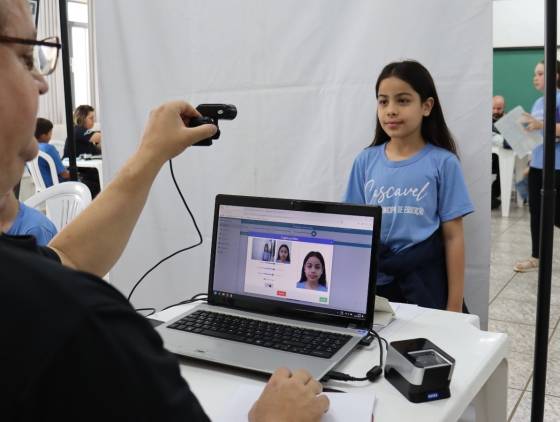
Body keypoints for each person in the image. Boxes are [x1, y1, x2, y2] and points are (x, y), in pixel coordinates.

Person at [0, 1, 328, 420]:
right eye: (27, 57)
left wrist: (150, 155)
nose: (43, 84)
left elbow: (68, 260)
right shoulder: (79, 326)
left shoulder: (36, 296)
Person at [344, 60, 474, 312]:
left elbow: (453, 236)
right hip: (376, 285)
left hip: (426, 285)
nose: (390, 110)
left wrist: (454, 306)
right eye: (383, 101)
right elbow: (353, 229)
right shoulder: (365, 161)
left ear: (426, 106)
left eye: (402, 100)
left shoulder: (443, 163)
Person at [513, 60, 560, 272]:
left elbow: (550, 129)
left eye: (540, 73)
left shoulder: (558, 99)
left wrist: (542, 124)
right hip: (539, 164)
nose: (535, 77)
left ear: (555, 75)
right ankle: (537, 257)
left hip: (557, 166)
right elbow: (537, 136)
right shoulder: (538, 103)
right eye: (535, 74)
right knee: (537, 212)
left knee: (556, 214)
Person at [63, 105, 102, 197]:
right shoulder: (79, 130)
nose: (93, 121)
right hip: (81, 173)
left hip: (84, 169)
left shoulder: (82, 132)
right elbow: (99, 137)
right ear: (82, 118)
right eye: (91, 118)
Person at [36, 117, 69, 187]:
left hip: (41, 188)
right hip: (56, 187)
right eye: (50, 133)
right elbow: (64, 175)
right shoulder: (48, 148)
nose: (51, 136)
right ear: (43, 136)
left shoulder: (29, 150)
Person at [491, 95, 505, 210]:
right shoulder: (484, 120)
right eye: (493, 108)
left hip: (504, 157)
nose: (496, 111)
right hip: (489, 158)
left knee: (503, 164)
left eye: (499, 108)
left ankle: (493, 194)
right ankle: (492, 196)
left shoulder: (509, 120)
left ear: (504, 108)